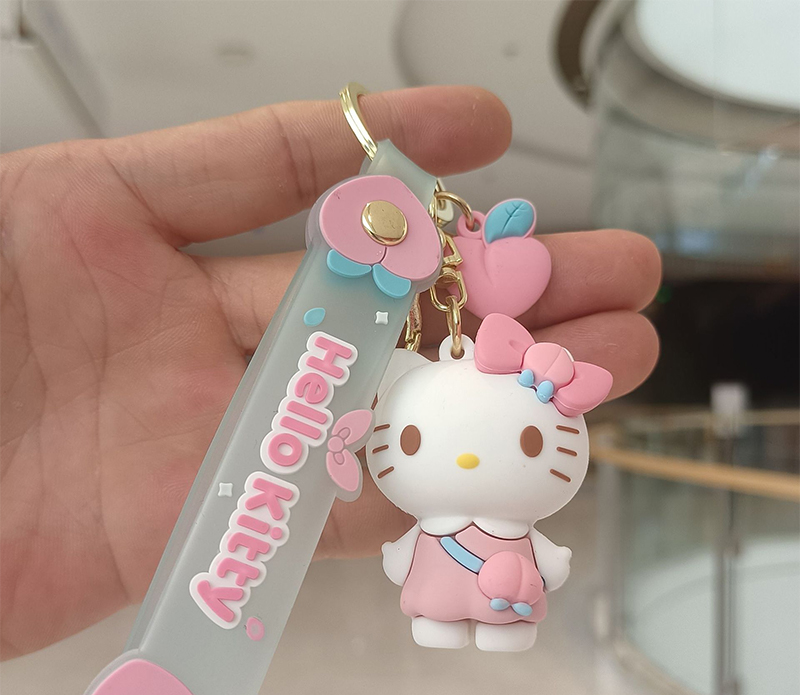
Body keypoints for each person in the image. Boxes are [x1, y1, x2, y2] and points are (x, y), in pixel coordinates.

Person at [0, 86, 660, 659]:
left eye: (531, 442)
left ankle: (487, 624)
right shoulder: (435, 448)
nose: (462, 462)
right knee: (436, 607)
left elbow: (427, 555)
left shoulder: (495, 495)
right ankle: (446, 620)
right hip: (441, 577)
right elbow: (417, 555)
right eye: (410, 440)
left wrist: (535, 563)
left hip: (491, 585)